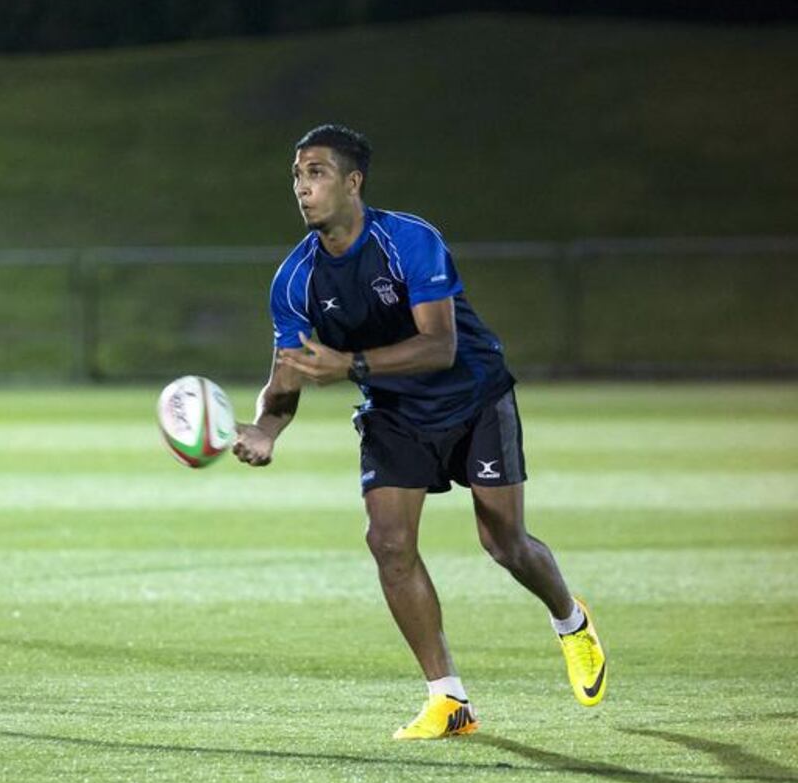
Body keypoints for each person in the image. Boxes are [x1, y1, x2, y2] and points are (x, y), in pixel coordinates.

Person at [233, 124, 606, 740]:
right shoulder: (294, 280)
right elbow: (288, 376)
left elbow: (440, 344)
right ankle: (449, 699)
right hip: (394, 414)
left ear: (353, 182)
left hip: (474, 398)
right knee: (388, 543)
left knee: (504, 543)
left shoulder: (409, 240)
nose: (302, 188)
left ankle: (570, 621)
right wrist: (269, 427)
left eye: (317, 173)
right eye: (297, 175)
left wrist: (349, 366)